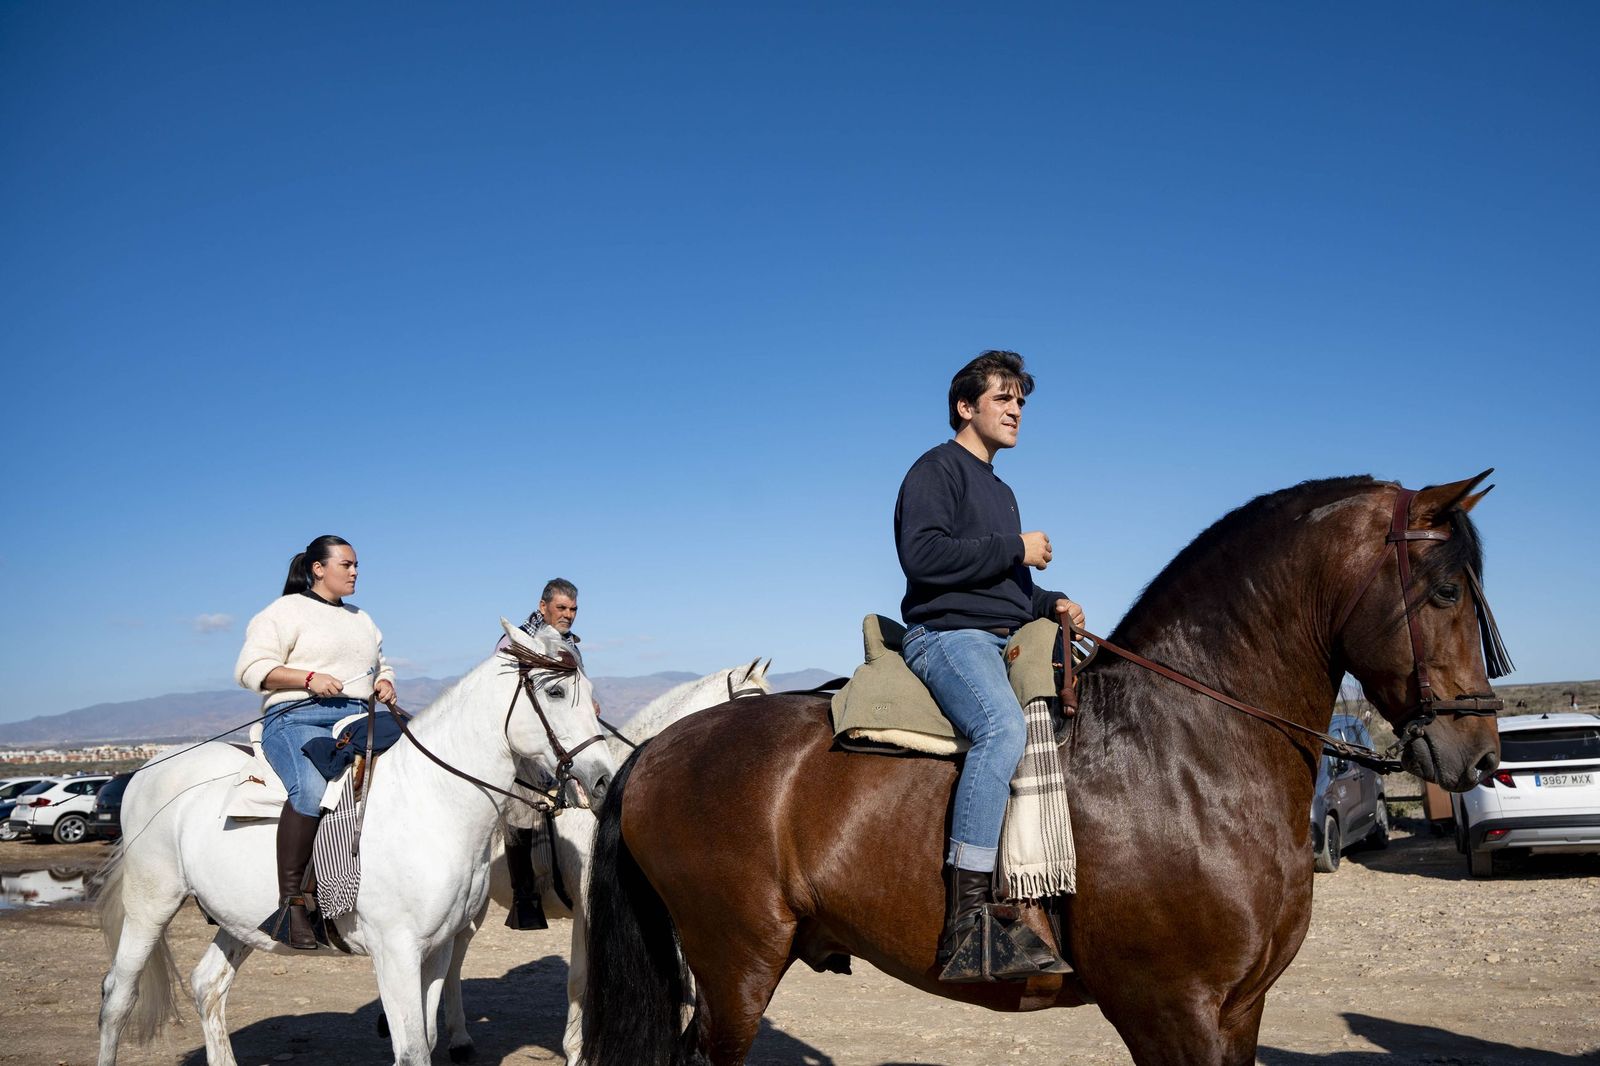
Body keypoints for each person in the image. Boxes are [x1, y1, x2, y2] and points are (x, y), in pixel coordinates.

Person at [894, 350, 1086, 975]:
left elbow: (1003, 587)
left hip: (1001, 633)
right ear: (965, 406)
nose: (1015, 411)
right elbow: (923, 558)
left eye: (1021, 402)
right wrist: (1016, 546)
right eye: (1003, 399)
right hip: (947, 637)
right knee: (1001, 730)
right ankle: (966, 923)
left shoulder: (1002, 490)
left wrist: (1051, 601)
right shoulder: (936, 469)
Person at [235, 535, 396, 949]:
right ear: (318, 569)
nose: (355, 571)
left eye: (357, 565)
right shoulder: (283, 612)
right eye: (346, 564)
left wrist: (385, 681)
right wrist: (308, 678)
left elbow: (383, 662)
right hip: (295, 717)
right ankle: (291, 904)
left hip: (357, 718)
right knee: (309, 788)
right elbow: (252, 669)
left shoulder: (363, 618)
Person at [499, 578, 582, 930]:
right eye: (562, 608)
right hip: (525, 743)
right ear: (543, 605)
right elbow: (504, 691)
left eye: (573, 609)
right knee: (523, 799)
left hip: (561, 738)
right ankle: (525, 896)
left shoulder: (571, 646)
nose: (568, 615)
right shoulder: (516, 642)